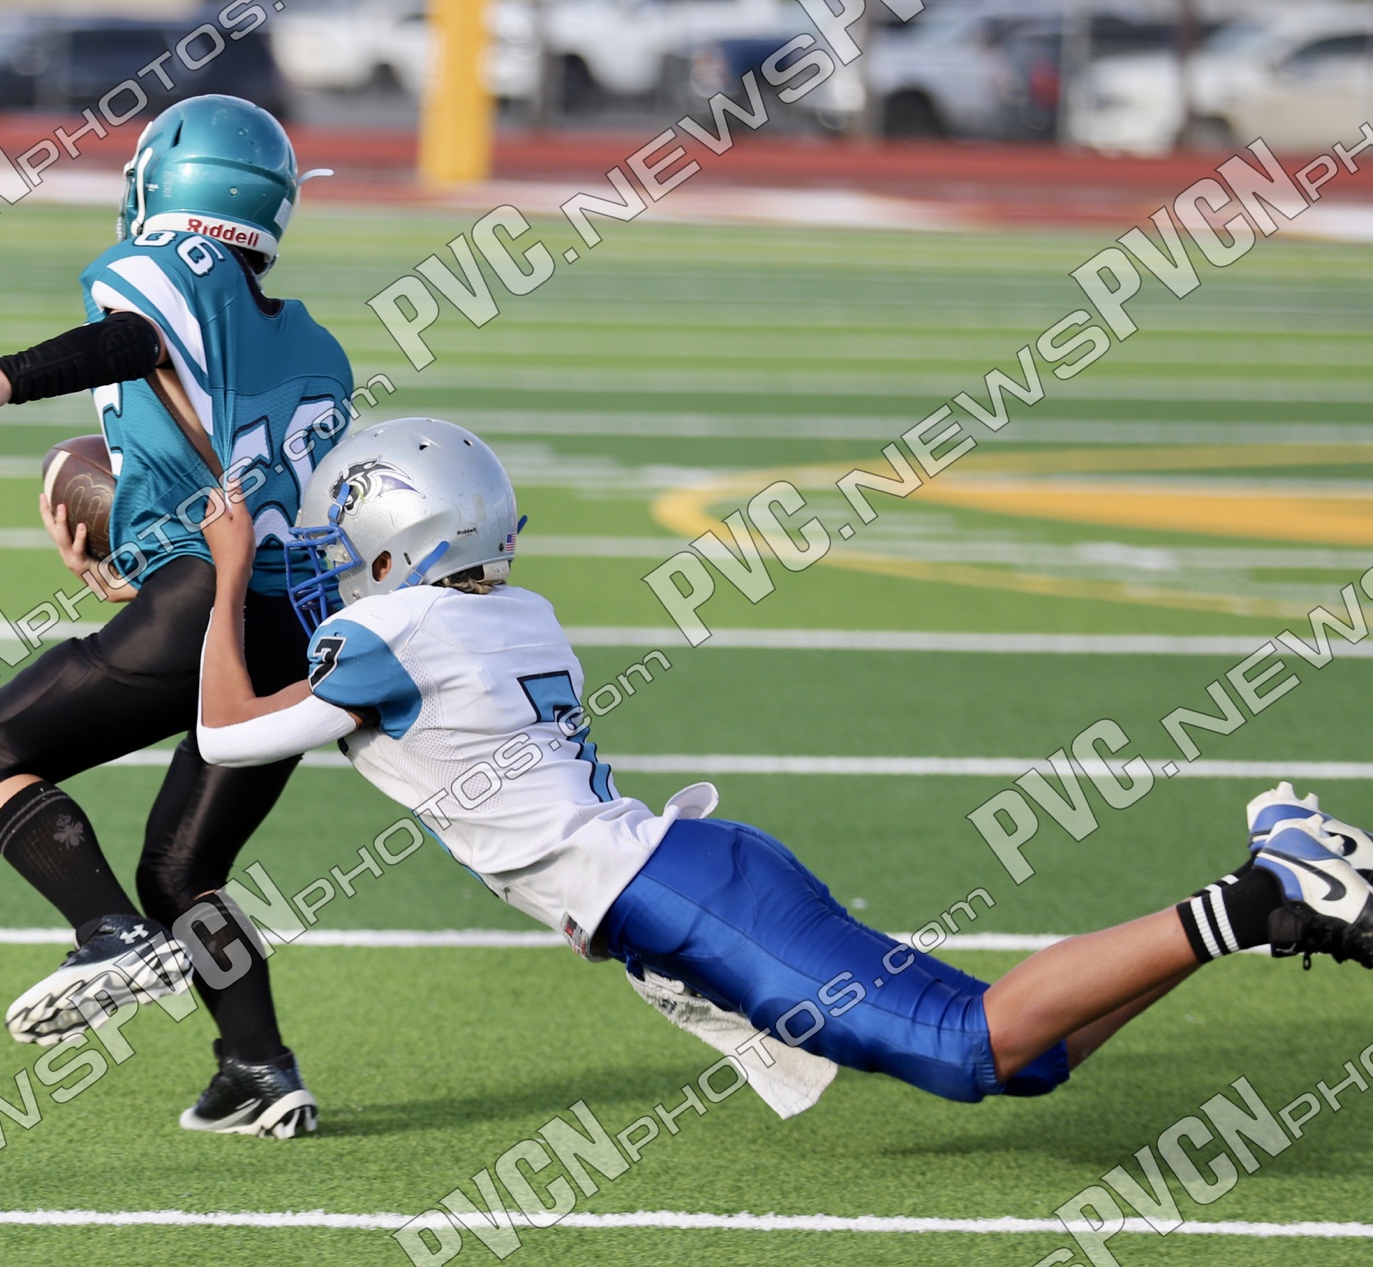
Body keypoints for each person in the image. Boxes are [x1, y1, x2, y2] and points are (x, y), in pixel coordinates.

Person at [191, 416, 1373, 1117]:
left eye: (349, 546)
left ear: (400, 541)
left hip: (677, 890)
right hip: (689, 875)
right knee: (1029, 1058)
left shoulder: (394, 633)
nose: (337, 571)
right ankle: (1262, 904)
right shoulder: (512, 613)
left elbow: (222, 732)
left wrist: (224, 574)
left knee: (972, 1046)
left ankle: (1263, 891)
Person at [0, 95, 351, 1138]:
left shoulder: (172, 274)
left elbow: (132, 339)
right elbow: (260, 489)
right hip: (288, 625)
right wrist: (142, 565)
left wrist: (2, 376)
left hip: (202, 606)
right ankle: (259, 1068)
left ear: (166, 186)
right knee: (185, 871)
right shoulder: (316, 346)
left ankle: (105, 932)